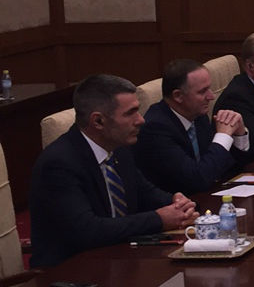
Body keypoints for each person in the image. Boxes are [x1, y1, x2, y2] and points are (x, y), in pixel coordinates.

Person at [29, 74, 197, 267]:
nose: (141, 120)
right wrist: (159, 219)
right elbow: (88, 230)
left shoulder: (119, 149)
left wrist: (178, 204)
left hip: (118, 261)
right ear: (98, 121)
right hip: (70, 274)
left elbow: (145, 193)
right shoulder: (59, 164)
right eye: (130, 113)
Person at [134, 59, 251, 194]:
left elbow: (222, 166)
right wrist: (223, 136)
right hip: (176, 206)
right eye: (202, 92)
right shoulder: (155, 129)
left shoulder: (197, 115)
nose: (211, 96)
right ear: (178, 96)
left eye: (209, 88)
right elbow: (198, 180)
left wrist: (239, 135)